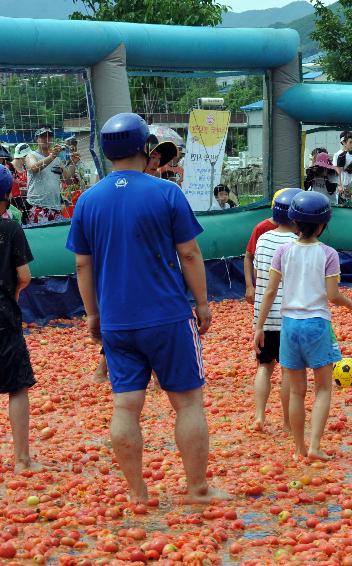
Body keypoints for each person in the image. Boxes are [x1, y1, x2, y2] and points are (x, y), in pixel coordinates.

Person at [66, 113, 228, 504]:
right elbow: (188, 252)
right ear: (145, 148)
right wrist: (203, 303)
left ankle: (138, 494)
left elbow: (82, 264)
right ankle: (196, 489)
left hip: (117, 322)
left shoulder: (87, 201)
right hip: (168, 316)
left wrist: (92, 314)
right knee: (187, 402)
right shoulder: (166, 193)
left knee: (125, 405)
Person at [253, 191, 352, 461]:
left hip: (289, 326)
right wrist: (349, 305)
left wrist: (259, 326)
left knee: (297, 392)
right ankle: (314, 446)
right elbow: (332, 295)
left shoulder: (282, 251)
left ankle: (299, 449)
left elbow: (269, 292)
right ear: (323, 225)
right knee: (323, 388)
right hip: (316, 325)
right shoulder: (328, 254)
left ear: (295, 223)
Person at [251, 188, 301, 432]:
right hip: (288, 317)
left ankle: (259, 416)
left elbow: (260, 276)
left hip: (264, 315)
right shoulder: (297, 244)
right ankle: (287, 422)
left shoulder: (263, 239)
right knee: (287, 372)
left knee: (264, 366)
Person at [0, 167, 40, 473]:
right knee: (17, 388)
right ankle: (22, 460)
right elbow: (24, 276)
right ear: (7, 195)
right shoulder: (10, 229)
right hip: (3, 317)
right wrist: (13, 294)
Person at [25, 126, 78, 224]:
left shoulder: (57, 159)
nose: (47, 139)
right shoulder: (31, 155)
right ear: (36, 139)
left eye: (49, 136)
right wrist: (52, 156)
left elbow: (68, 180)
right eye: (43, 136)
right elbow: (33, 168)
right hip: (37, 206)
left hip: (55, 208)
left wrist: (73, 163)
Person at [243, 190, 286, 306]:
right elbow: (248, 257)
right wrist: (249, 286)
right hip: (265, 288)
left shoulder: (298, 229)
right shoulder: (262, 228)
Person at [9, 144, 30, 222]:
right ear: (24, 156)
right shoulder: (8, 168)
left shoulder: (26, 169)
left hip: (26, 207)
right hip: (12, 206)